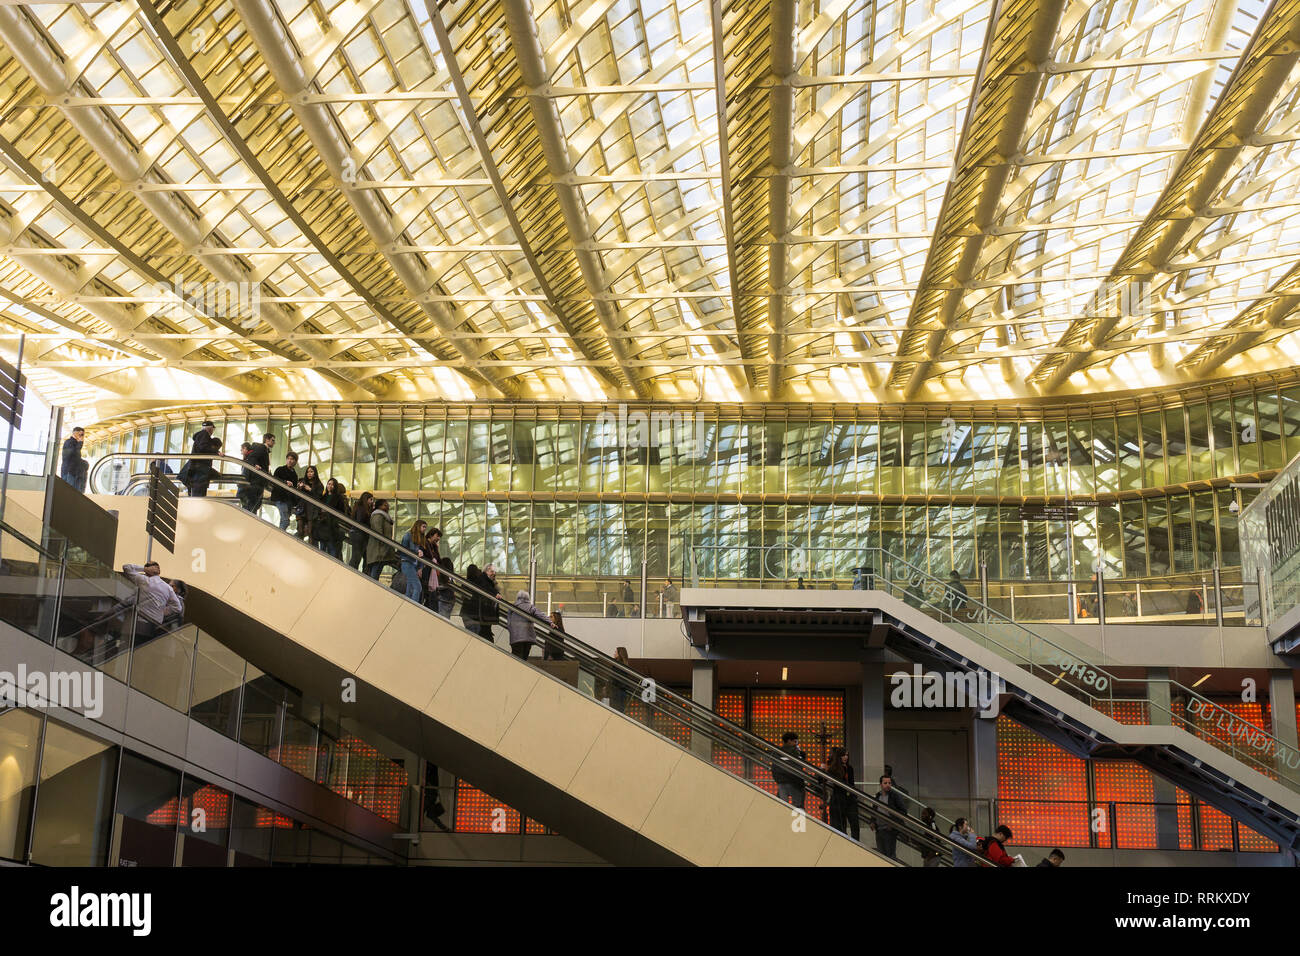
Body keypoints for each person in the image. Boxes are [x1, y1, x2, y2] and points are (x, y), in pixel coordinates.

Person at [122, 560, 184, 642]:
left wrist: (144, 569)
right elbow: (178, 608)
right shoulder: (168, 588)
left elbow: (126, 567)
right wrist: (163, 611)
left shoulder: (144, 580)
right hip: (155, 627)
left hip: (139, 624)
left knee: (132, 648)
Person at [823, 746, 859, 840]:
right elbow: (824, 780)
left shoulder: (850, 768)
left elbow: (852, 783)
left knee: (854, 823)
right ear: (838, 757)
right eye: (843, 755)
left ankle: (856, 843)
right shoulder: (833, 769)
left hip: (850, 799)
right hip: (839, 799)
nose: (845, 757)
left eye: (847, 755)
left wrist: (854, 795)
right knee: (840, 825)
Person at [871, 774, 907, 859]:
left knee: (890, 856)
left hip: (889, 830)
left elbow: (903, 812)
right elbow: (874, 811)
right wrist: (872, 822)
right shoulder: (877, 796)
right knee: (881, 856)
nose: (888, 785)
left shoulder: (894, 796)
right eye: (885, 783)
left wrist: (893, 823)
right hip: (879, 829)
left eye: (889, 783)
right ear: (881, 784)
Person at [771, 732, 807, 810]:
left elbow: (775, 767)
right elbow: (800, 765)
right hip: (795, 782)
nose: (796, 744)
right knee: (798, 807)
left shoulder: (777, 752)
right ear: (789, 741)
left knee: (783, 807)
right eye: (795, 741)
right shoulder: (796, 752)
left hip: (781, 782)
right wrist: (802, 755)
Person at [508, 590, 547, 660]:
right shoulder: (530, 607)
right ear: (527, 598)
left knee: (516, 657)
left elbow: (508, 623)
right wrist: (550, 622)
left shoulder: (512, 607)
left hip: (515, 638)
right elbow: (540, 615)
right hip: (528, 637)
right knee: (524, 657)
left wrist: (512, 631)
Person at [241, 433, 274, 512]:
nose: (274, 442)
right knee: (253, 505)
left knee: (254, 505)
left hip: (257, 482)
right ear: (267, 440)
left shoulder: (265, 450)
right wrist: (256, 465)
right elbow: (252, 457)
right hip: (256, 481)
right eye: (272, 440)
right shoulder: (262, 447)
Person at [315, 479, 348, 558]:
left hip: (332, 526)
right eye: (328, 484)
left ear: (335, 486)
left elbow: (341, 512)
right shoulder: (324, 496)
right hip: (323, 526)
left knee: (332, 548)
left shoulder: (338, 498)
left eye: (332, 484)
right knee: (322, 548)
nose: (330, 486)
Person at [365, 499, 395, 580]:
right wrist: (383, 545)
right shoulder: (378, 516)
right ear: (379, 506)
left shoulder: (384, 517)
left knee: (377, 572)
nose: (387, 507)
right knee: (375, 573)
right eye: (385, 505)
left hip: (382, 549)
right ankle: (372, 589)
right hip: (378, 549)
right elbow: (378, 532)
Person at [399, 520, 429, 603]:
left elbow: (421, 555)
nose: (424, 529)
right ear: (418, 526)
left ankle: (407, 606)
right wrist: (416, 552)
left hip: (414, 565)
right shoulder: (408, 536)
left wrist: (420, 567)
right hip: (407, 563)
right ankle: (413, 607)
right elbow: (403, 550)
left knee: (410, 589)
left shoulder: (420, 538)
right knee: (417, 587)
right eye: (423, 526)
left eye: (425, 527)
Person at [187, 421, 218, 496]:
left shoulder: (200, 436)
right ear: (210, 429)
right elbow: (203, 447)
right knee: (199, 497)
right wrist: (216, 451)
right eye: (213, 429)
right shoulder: (204, 434)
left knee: (197, 496)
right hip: (200, 473)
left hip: (198, 472)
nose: (212, 432)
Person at [270, 452, 300, 531]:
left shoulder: (295, 475)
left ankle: (278, 535)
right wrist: (285, 482)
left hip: (289, 500)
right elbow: (274, 481)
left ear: (295, 462)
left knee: (283, 520)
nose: (290, 461)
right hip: (280, 498)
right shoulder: (280, 469)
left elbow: (294, 490)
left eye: (292, 459)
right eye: (288, 459)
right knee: (285, 521)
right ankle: (278, 536)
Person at [294, 465, 324, 541]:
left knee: (310, 532)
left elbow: (319, 498)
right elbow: (297, 496)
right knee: (300, 530)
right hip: (302, 508)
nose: (309, 473)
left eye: (311, 471)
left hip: (312, 511)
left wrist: (310, 489)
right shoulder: (302, 481)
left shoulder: (319, 485)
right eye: (308, 472)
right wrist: (299, 488)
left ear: (315, 473)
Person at [349, 492, 375, 570]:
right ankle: (351, 573)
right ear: (366, 499)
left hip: (357, 534)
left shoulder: (359, 507)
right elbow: (360, 521)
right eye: (371, 499)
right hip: (360, 534)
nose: (372, 501)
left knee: (359, 557)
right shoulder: (362, 508)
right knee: (356, 557)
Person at [476, 564, 500, 641]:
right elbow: (486, 587)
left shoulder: (490, 581)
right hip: (483, 613)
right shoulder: (483, 579)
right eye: (492, 571)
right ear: (486, 571)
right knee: (485, 633)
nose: (494, 573)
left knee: (486, 632)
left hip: (486, 613)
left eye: (495, 571)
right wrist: (495, 593)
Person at [60, 426, 86, 491]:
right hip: (69, 471)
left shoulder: (73, 442)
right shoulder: (70, 442)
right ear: (75, 433)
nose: (82, 436)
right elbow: (74, 453)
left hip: (71, 471)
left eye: (83, 435)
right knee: (68, 491)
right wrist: (80, 442)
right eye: (81, 434)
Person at [461, 564, 483, 635]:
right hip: (476, 613)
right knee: (476, 635)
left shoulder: (465, 583)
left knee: (470, 634)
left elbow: (462, 597)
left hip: (466, 612)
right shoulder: (479, 584)